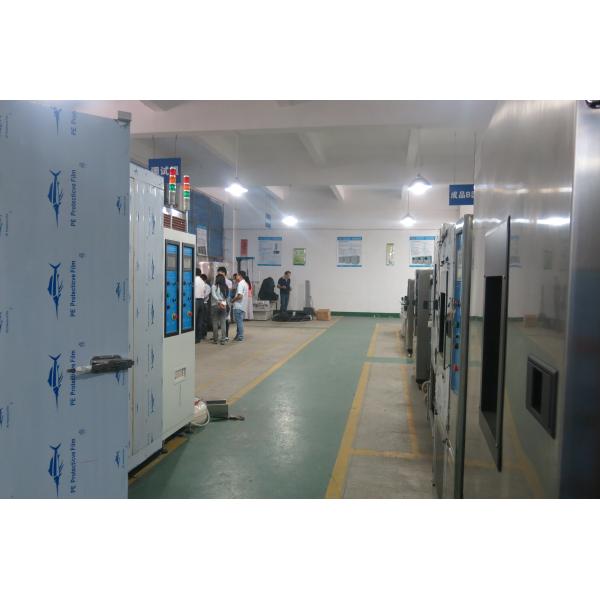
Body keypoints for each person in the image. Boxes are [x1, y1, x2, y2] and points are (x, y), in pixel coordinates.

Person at [211, 273, 229, 345]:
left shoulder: (214, 286)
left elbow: (213, 295)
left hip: (215, 305)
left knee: (215, 322)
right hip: (223, 305)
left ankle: (215, 339)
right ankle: (223, 340)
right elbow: (226, 296)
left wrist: (218, 301)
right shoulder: (225, 287)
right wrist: (222, 301)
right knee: (223, 323)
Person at [231, 272, 249, 341]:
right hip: (242, 305)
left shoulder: (241, 284)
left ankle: (240, 336)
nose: (236, 276)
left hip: (238, 305)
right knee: (239, 321)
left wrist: (233, 300)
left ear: (240, 276)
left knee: (239, 322)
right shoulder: (245, 283)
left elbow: (240, 296)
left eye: (237, 275)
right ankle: (238, 335)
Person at [217, 266, 233, 340]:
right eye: (218, 273)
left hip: (225, 300)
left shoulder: (229, 282)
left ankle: (226, 335)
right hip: (219, 301)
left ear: (224, 273)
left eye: (220, 273)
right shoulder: (217, 281)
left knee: (226, 318)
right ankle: (219, 335)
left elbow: (229, 293)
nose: (219, 274)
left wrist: (226, 302)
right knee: (219, 318)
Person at [194, 268, 206, 343]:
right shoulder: (202, 281)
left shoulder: (194, 280)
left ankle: (194, 337)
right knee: (200, 320)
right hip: (202, 301)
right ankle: (199, 337)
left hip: (195, 301)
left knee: (194, 320)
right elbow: (204, 291)